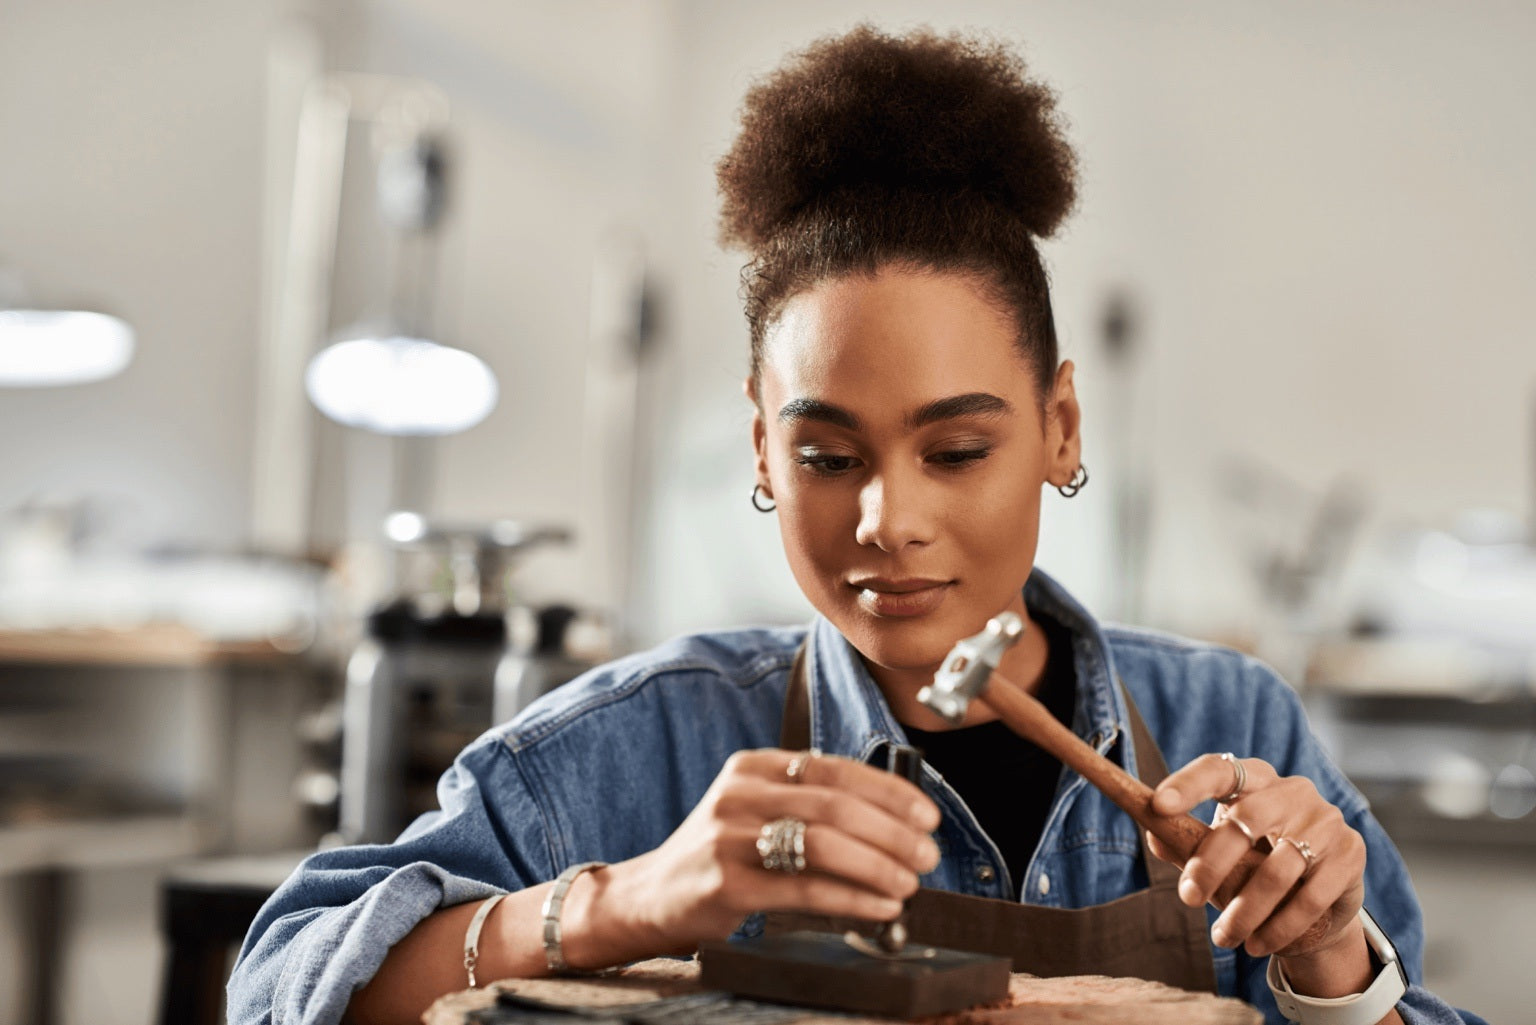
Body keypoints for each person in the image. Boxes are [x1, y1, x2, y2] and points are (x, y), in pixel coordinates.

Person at [229, 25, 1486, 1025]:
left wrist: (1328, 958)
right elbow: (282, 981)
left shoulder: (1234, 727)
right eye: (828, 453)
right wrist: (639, 897)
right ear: (763, 447)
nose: (888, 519)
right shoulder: (644, 748)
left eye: (957, 449)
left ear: (1060, 427)